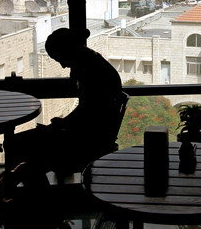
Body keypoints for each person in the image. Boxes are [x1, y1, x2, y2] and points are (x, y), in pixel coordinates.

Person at [7, 28, 123, 177]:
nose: (63, 65)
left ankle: (23, 193)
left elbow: (88, 113)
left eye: (61, 59)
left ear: (69, 50)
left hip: (85, 143)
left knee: (18, 144)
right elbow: (90, 111)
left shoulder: (91, 72)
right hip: (94, 138)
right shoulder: (95, 65)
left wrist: (61, 125)